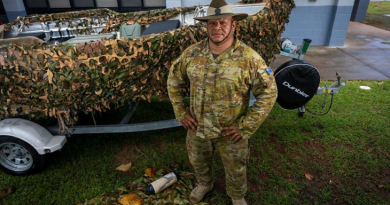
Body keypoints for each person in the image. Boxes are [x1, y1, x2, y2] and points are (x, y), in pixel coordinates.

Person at [167, 0, 278, 204]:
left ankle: (237, 196)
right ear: (207, 26)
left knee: (236, 167)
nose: (217, 28)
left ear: (233, 25)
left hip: (231, 131)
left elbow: (269, 92)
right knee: (198, 161)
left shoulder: (249, 58)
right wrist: (181, 112)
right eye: (212, 23)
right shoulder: (191, 54)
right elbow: (174, 80)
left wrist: (246, 126)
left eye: (223, 23)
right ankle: (205, 184)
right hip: (198, 128)